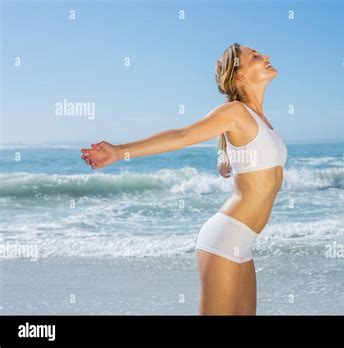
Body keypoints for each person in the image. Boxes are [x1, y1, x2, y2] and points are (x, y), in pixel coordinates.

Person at [80, 43, 287, 315]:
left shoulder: (261, 121)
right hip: (223, 241)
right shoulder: (235, 112)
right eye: (255, 56)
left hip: (243, 245)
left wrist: (228, 161)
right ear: (240, 76)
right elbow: (182, 136)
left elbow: (249, 157)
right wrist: (119, 152)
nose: (266, 56)